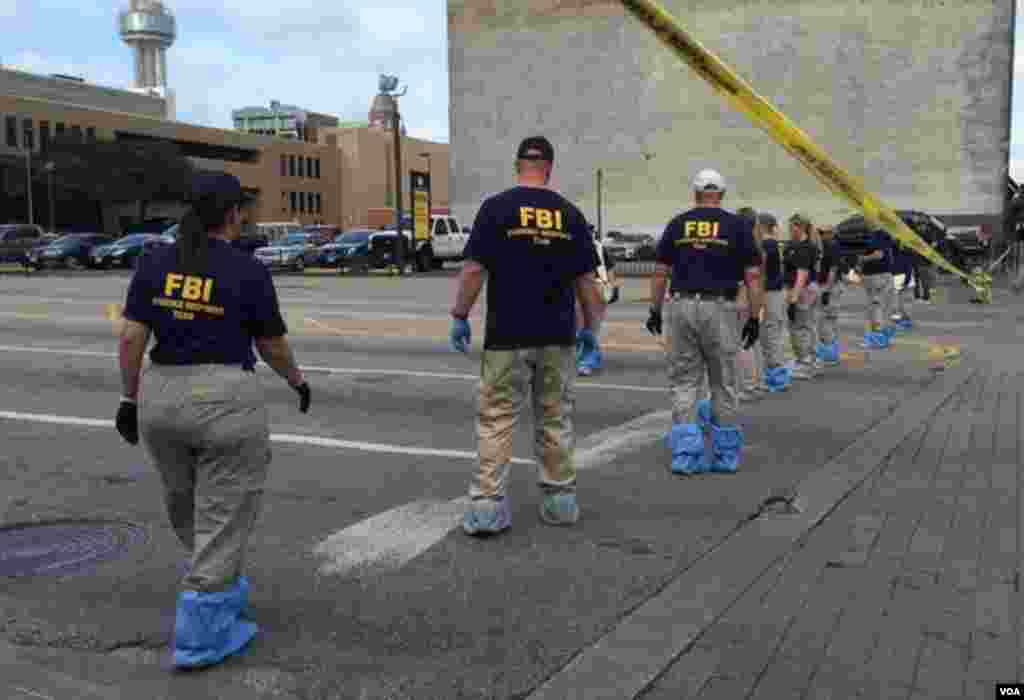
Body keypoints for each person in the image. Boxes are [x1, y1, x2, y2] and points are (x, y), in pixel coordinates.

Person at [115, 173, 311, 670]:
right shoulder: (246, 270)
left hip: (161, 395)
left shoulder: (155, 261)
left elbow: (131, 338)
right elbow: (271, 345)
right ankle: (201, 632)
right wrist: (297, 381)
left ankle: (220, 584)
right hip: (225, 397)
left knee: (186, 504)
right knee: (224, 515)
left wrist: (128, 398)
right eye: (241, 208)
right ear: (231, 214)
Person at [449, 135, 603, 536]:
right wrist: (591, 328)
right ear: (549, 168)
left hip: (507, 334)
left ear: (518, 165)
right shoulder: (569, 215)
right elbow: (588, 282)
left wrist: (460, 315)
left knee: (497, 418)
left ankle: (487, 505)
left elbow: (472, 271)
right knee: (555, 417)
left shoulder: (496, 209)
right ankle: (560, 501)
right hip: (557, 335)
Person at [645, 168, 762, 475]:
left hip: (682, 305)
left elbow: (660, 272)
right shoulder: (736, 226)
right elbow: (752, 275)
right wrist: (754, 315)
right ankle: (725, 456)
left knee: (684, 382)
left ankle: (686, 454)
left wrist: (655, 309)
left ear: (695, 193)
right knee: (723, 383)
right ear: (721, 194)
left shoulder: (678, 224)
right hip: (720, 308)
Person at [575, 224, 620, 376]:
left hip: (595, 290)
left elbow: (609, 269)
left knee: (588, 328)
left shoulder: (596, 247)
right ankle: (588, 357)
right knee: (585, 328)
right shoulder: (593, 247)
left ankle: (587, 360)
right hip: (591, 290)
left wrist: (612, 287)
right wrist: (612, 287)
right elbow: (610, 270)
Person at [756, 213, 792, 391]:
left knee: (769, 334)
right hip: (777, 292)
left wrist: (758, 298)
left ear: (761, 226)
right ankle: (777, 373)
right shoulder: (774, 243)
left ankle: (775, 375)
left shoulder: (766, 244)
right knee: (774, 333)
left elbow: (760, 272)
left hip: (769, 293)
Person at [784, 213, 819, 379]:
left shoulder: (803, 248)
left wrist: (793, 298)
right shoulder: (806, 245)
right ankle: (810, 359)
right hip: (808, 288)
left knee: (798, 327)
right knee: (807, 325)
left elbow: (802, 274)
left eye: (791, 228)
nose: (789, 231)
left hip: (802, 289)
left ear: (800, 227)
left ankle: (804, 363)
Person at [859, 227, 896, 349]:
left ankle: (876, 339)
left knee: (875, 307)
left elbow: (878, 255)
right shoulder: (887, 234)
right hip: (885, 274)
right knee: (884, 307)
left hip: (875, 275)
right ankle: (884, 337)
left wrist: (861, 259)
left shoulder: (876, 236)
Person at [814, 225, 843, 366]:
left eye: (822, 233)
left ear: (830, 234)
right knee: (829, 320)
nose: (820, 235)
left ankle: (829, 355)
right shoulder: (827, 246)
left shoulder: (832, 247)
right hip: (829, 286)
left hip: (829, 286)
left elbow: (833, 270)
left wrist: (827, 290)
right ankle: (831, 352)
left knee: (825, 320)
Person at [890, 241, 915, 329]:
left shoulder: (891, 257)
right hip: (906, 280)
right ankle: (906, 320)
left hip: (897, 280)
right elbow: (909, 268)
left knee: (896, 303)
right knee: (904, 303)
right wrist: (907, 281)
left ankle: (899, 321)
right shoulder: (906, 254)